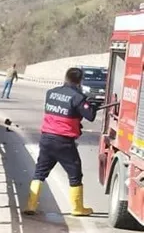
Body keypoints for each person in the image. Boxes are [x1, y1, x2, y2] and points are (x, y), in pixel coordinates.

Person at [24, 67, 98, 217]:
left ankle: (31, 205)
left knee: (40, 173)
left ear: (66, 77)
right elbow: (90, 116)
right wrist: (92, 106)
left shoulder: (51, 93)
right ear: (80, 81)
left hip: (46, 139)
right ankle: (78, 208)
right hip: (64, 142)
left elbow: (64, 111)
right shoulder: (77, 97)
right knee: (75, 174)